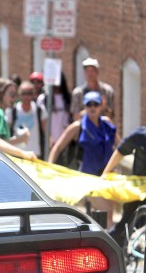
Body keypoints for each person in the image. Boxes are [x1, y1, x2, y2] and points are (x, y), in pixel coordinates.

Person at [49, 91, 119, 226]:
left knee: (109, 211)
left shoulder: (107, 124)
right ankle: (110, 241)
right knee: (104, 209)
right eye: (89, 104)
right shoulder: (77, 126)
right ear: (85, 107)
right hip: (86, 176)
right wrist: (49, 168)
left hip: (106, 174)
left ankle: (103, 239)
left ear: (101, 106)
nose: (92, 107)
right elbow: (57, 148)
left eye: (96, 104)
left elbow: (120, 146)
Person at [102, 126, 146, 247]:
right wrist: (106, 172)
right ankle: (109, 249)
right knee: (124, 227)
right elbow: (120, 151)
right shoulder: (140, 135)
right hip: (137, 192)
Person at [8, 81, 48, 159]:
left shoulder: (40, 110)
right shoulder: (12, 111)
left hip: (35, 154)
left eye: (29, 93)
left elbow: (46, 132)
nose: (26, 96)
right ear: (19, 95)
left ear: (33, 95)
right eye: (23, 93)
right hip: (16, 153)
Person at [0, 78, 29, 147]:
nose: (15, 98)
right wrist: (20, 140)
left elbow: (1, 142)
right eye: (12, 95)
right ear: (0, 94)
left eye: (16, 95)